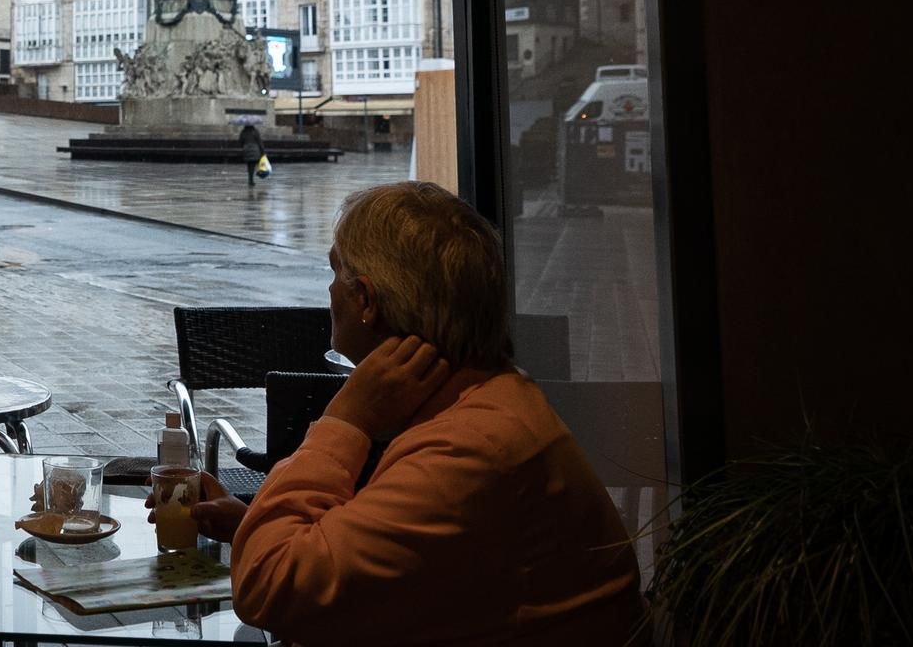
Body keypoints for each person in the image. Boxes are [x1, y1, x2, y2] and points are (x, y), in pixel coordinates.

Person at [171, 181, 644, 645]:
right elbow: (398, 563)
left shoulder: (471, 449)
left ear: (367, 301)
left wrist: (344, 420)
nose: (330, 291)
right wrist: (249, 525)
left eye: (336, 273)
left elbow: (272, 591)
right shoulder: (491, 402)